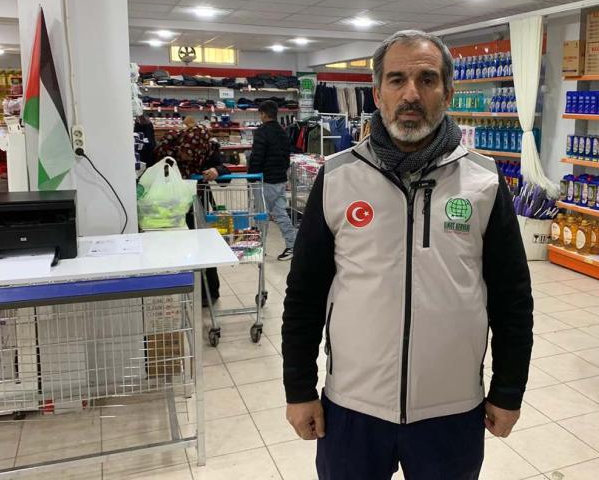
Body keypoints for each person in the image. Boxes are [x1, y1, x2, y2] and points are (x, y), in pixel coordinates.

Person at [281, 30, 534, 479]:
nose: (411, 94)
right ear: (377, 93)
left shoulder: (484, 181)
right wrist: (299, 388)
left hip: (451, 409)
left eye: (427, 80)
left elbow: (512, 298)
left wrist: (508, 390)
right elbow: (305, 294)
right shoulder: (338, 177)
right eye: (397, 80)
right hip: (353, 407)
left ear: (448, 92)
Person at [155, 123, 229, 305]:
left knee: (205, 245)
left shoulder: (208, 149)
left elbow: (225, 177)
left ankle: (209, 292)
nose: (187, 157)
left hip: (198, 204)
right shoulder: (168, 147)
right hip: (170, 205)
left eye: (192, 153)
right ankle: (178, 291)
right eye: (184, 152)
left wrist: (216, 171)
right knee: (175, 246)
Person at [248, 100, 296, 261]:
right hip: (280, 179)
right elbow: (287, 156)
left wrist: (251, 177)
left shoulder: (262, 132)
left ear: (263, 114)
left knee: (261, 215)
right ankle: (292, 246)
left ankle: (258, 246)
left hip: (266, 180)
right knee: (281, 214)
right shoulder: (283, 131)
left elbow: (257, 156)